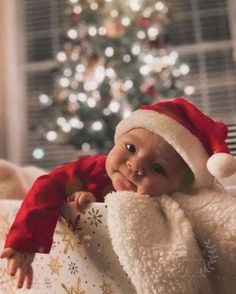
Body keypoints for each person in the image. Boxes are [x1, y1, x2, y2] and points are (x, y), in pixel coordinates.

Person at [1, 97, 236, 289]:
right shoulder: (93, 169)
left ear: (177, 187)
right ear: (118, 139)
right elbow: (49, 186)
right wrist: (25, 243)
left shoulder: (175, 205)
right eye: (130, 147)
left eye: (157, 168)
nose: (135, 165)